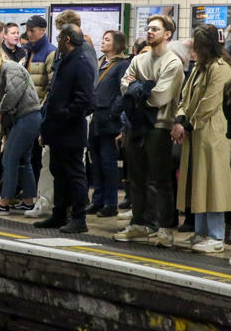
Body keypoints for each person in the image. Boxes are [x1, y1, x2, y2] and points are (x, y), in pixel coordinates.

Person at [115, 15, 184, 246]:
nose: (149, 31)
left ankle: (163, 228)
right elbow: (125, 85)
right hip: (136, 125)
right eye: (148, 28)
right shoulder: (139, 59)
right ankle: (139, 223)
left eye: (155, 28)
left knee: (159, 180)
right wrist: (143, 87)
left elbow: (159, 97)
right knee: (136, 178)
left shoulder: (172, 63)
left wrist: (140, 88)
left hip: (159, 127)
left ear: (167, 34)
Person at [172, 25, 231, 253]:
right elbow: (185, 96)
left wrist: (184, 124)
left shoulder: (221, 68)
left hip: (213, 135)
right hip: (195, 133)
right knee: (198, 183)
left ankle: (216, 237)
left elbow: (209, 103)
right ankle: (201, 232)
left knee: (213, 183)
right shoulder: (199, 68)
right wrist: (179, 118)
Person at [34, 24, 95, 233]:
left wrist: (64, 115)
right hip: (57, 129)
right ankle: (59, 213)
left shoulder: (81, 63)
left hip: (71, 130)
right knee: (57, 171)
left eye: (60, 37)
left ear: (67, 39)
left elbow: (85, 100)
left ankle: (79, 218)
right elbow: (53, 96)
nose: (58, 40)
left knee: (75, 174)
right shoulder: (63, 62)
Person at [0, 46, 41, 214]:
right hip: (27, 117)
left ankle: (4, 202)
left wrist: (0, 109)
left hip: (26, 117)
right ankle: (29, 201)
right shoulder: (4, 72)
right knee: (23, 160)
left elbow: (13, 93)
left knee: (9, 159)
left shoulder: (10, 67)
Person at [87, 30, 129, 218]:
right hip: (96, 115)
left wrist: (114, 112)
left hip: (109, 118)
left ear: (117, 44)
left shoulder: (121, 65)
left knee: (107, 162)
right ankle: (98, 199)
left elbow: (122, 92)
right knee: (96, 162)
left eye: (107, 40)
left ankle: (110, 202)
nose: (102, 42)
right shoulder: (100, 62)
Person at [21, 15, 57, 218]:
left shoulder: (49, 52)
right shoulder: (29, 51)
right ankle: (31, 198)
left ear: (43, 30)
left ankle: (39, 199)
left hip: (38, 111)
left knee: (38, 158)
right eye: (28, 30)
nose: (30, 34)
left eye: (33, 30)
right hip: (26, 111)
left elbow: (50, 86)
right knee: (29, 157)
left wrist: (43, 111)